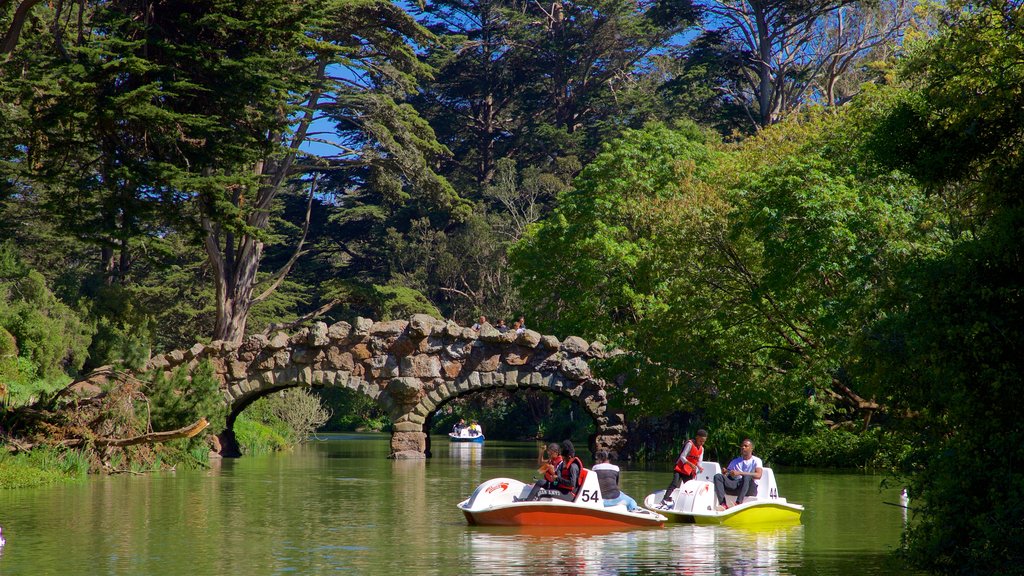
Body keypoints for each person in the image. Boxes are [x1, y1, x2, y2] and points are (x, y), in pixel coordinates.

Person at [657, 429, 708, 509]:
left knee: (690, 487)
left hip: (688, 471)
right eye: (701, 441)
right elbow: (682, 457)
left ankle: (688, 504)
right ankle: (664, 499)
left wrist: (699, 467)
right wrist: (690, 464)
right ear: (697, 437)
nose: (702, 443)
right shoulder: (690, 444)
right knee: (674, 483)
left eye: (704, 441)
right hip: (680, 468)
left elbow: (699, 461)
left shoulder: (702, 449)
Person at [713, 438, 762, 510]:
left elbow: (758, 475)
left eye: (746, 446)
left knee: (746, 477)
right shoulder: (735, 461)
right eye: (742, 446)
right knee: (717, 477)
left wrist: (739, 473)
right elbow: (728, 474)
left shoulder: (756, 460)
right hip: (736, 485)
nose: (743, 447)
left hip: (750, 488)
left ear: (751, 448)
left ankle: (738, 503)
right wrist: (726, 472)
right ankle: (723, 504)